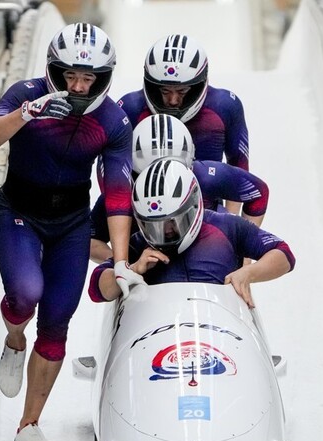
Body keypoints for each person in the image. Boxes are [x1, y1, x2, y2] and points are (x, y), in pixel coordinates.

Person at [0, 23, 143, 441]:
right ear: (54, 71)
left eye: (88, 78)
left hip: (71, 223)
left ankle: (28, 424)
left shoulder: (112, 121)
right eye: (70, 76)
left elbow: (117, 193)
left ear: (103, 79)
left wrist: (120, 260)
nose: (79, 87)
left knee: (57, 318)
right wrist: (24, 115)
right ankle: (14, 338)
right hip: (20, 212)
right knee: (25, 294)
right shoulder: (26, 93)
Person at [88, 159, 293, 308]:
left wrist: (249, 273)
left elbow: (283, 253)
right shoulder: (139, 247)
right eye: (153, 225)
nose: (165, 231)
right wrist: (131, 270)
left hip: (219, 325)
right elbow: (96, 289)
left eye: (172, 222)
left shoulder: (227, 226)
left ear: (192, 206)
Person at [89, 113, 269, 263]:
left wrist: (242, 255)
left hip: (210, 252)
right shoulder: (121, 192)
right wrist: (125, 263)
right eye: (148, 174)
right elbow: (91, 241)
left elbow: (258, 193)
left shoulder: (207, 176)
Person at [117, 33, 250, 214]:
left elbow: (238, 168)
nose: (173, 101)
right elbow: (114, 172)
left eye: (182, 91)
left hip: (207, 212)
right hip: (148, 214)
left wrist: (231, 222)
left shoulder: (224, 106)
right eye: (165, 91)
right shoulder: (131, 107)